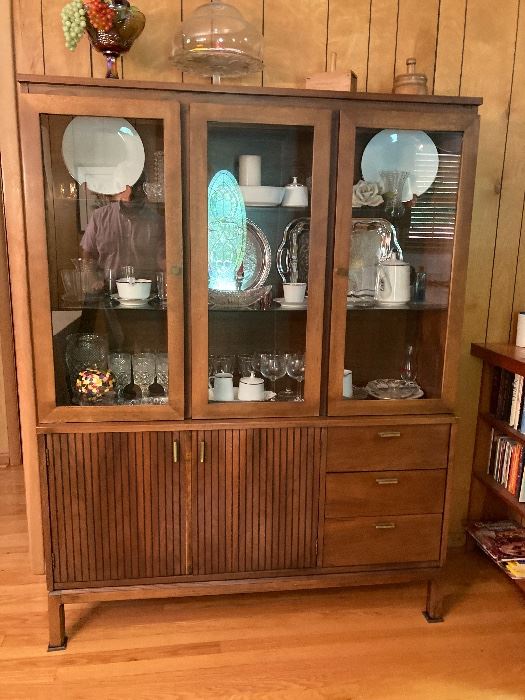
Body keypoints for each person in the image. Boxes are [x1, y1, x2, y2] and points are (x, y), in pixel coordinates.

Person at [80, 175, 165, 282]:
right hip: (107, 288)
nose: (130, 196)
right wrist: (94, 281)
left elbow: (163, 259)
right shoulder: (99, 217)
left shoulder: (156, 221)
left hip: (145, 291)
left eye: (136, 188)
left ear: (144, 189)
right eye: (126, 188)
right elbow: (88, 253)